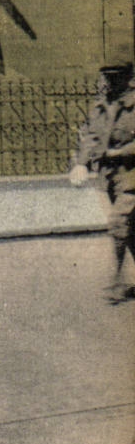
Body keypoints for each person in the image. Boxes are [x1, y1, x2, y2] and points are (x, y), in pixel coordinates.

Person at [70, 62, 135, 303]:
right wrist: (81, 163)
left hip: (132, 174)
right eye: (106, 76)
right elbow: (91, 136)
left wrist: (118, 154)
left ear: (128, 78)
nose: (108, 81)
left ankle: (117, 281)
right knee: (131, 232)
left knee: (119, 223)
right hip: (110, 177)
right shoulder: (101, 105)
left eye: (114, 77)